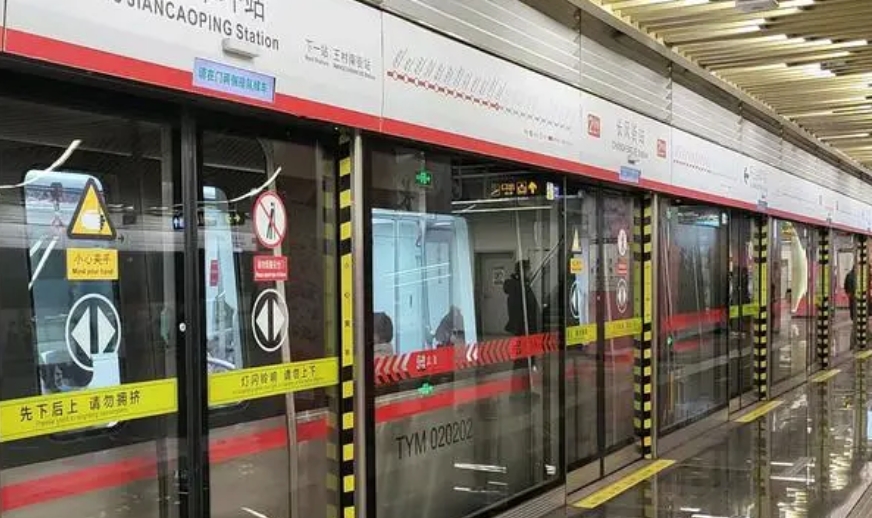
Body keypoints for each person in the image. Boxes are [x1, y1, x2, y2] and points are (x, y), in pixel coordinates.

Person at [504, 260, 540, 336]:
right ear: (522, 272)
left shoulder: (518, 287)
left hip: (523, 330)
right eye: (528, 270)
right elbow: (521, 314)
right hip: (525, 331)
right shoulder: (521, 289)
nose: (530, 272)